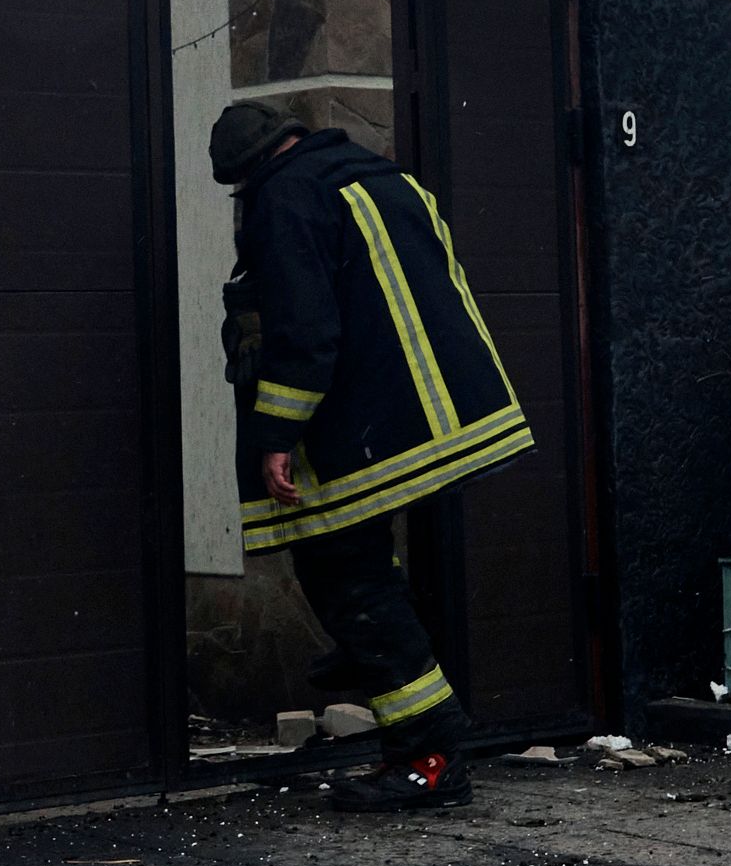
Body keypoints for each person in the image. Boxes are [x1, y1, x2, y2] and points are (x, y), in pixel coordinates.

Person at [211, 100, 531, 811]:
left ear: (248, 171)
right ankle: (376, 657)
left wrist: (274, 435)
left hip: (357, 428)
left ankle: (431, 751)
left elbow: (302, 325)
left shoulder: (284, 196)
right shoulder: (383, 178)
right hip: (429, 413)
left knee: (344, 576)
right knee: (358, 567)